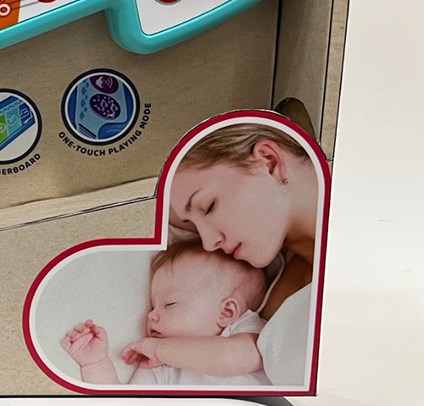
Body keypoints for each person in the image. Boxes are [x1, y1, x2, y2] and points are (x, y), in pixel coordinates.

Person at [167, 121, 320, 385]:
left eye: (208, 207)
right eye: (193, 224)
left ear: (269, 161)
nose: (208, 243)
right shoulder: (278, 286)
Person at [61, 243, 269, 385]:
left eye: (169, 304)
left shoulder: (244, 330)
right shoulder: (157, 367)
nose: (151, 316)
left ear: (226, 311)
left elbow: (231, 358)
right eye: (153, 306)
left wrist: (159, 350)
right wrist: (96, 363)